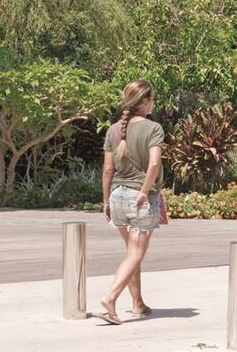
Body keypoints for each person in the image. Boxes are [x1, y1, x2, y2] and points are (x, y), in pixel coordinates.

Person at [98, 79, 164, 325]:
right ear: (145, 101)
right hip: (139, 198)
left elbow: (107, 169)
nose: (153, 103)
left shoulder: (113, 130)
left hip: (116, 196)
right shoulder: (153, 128)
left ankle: (137, 304)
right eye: (152, 99)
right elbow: (154, 164)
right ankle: (110, 298)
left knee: (131, 254)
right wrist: (145, 191)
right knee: (136, 254)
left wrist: (105, 201)